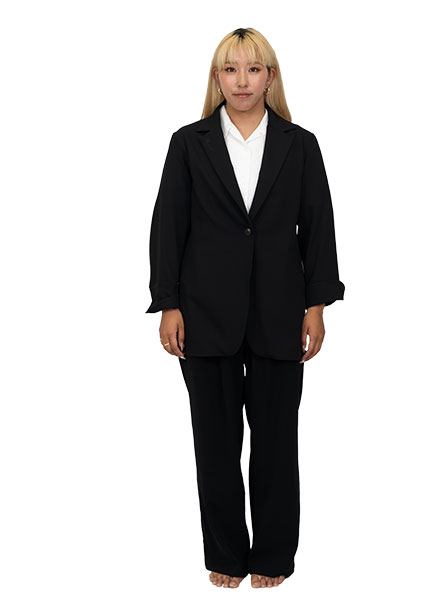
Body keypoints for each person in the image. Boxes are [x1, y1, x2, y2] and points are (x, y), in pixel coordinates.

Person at [146, 27, 345, 589]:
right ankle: (226, 554)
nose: (242, 81)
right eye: (231, 70)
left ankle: (274, 556)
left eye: (253, 70)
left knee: (277, 444)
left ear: (270, 77)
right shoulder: (189, 143)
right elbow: (168, 227)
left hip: (280, 312)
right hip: (204, 312)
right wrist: (168, 304)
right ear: (217, 78)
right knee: (215, 444)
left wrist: (316, 305)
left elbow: (319, 227)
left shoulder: (299, 144)